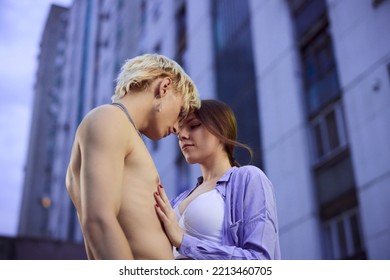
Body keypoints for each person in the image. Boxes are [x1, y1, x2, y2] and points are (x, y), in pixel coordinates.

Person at [66, 53, 200, 259]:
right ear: (164, 87)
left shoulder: (122, 128)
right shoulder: (110, 119)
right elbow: (98, 221)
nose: (177, 128)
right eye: (181, 113)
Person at [154, 99, 281, 259]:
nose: (183, 136)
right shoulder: (178, 200)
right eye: (179, 132)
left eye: (194, 126)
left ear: (221, 128)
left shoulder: (248, 179)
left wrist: (183, 240)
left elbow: (260, 261)